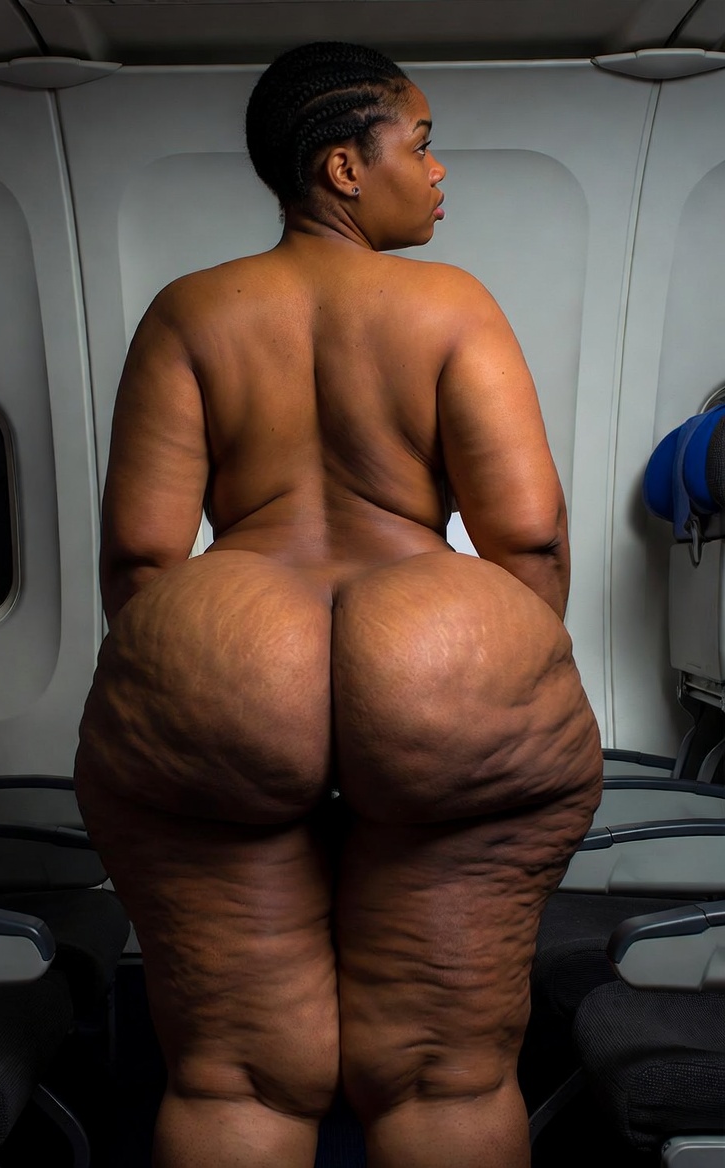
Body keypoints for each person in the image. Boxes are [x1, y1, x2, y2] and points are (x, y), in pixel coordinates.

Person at [74, 41, 602, 1168]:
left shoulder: (188, 312)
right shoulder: (450, 305)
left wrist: (203, 694)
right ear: (345, 168)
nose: (439, 170)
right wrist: (475, 688)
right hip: (437, 657)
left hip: (229, 653)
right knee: (450, 1074)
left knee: (232, 1074)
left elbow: (139, 556)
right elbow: (530, 538)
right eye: (422, 144)